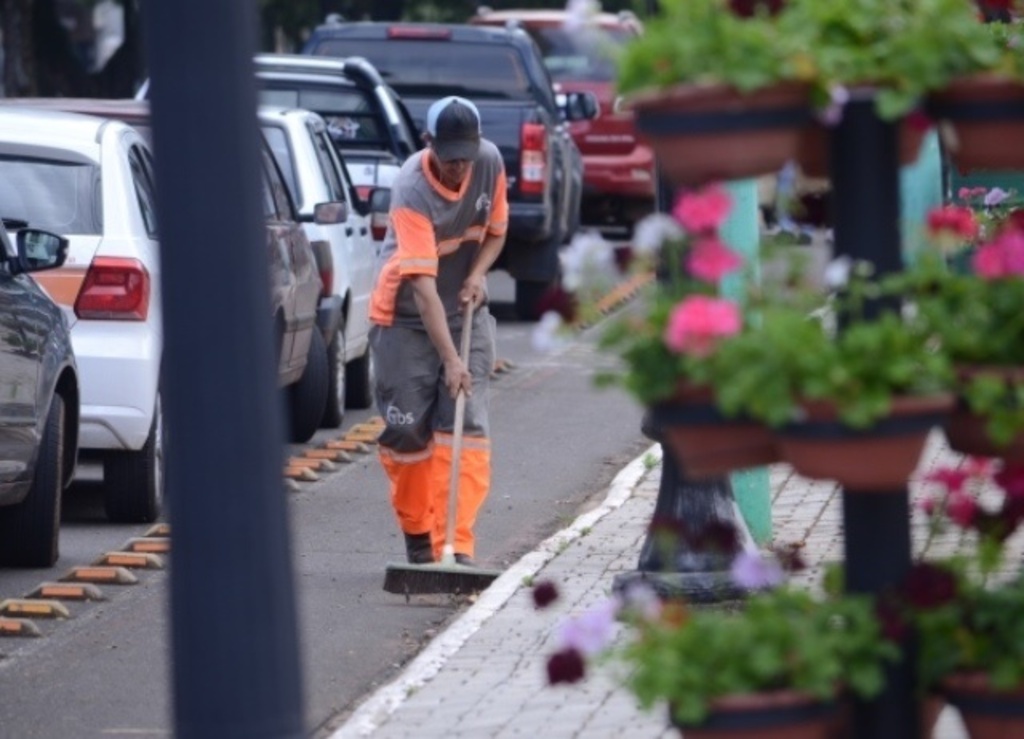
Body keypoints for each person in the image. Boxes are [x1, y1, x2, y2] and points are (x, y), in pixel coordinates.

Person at [368, 96, 508, 567]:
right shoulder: (411, 188)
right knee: (408, 432)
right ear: (429, 145)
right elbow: (424, 290)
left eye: (465, 156)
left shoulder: (488, 162)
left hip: (463, 310)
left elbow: (496, 232)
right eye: (450, 158)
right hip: (407, 318)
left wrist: (477, 274)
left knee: (464, 428)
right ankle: (419, 532)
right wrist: (450, 359)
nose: (459, 168)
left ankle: (457, 545)